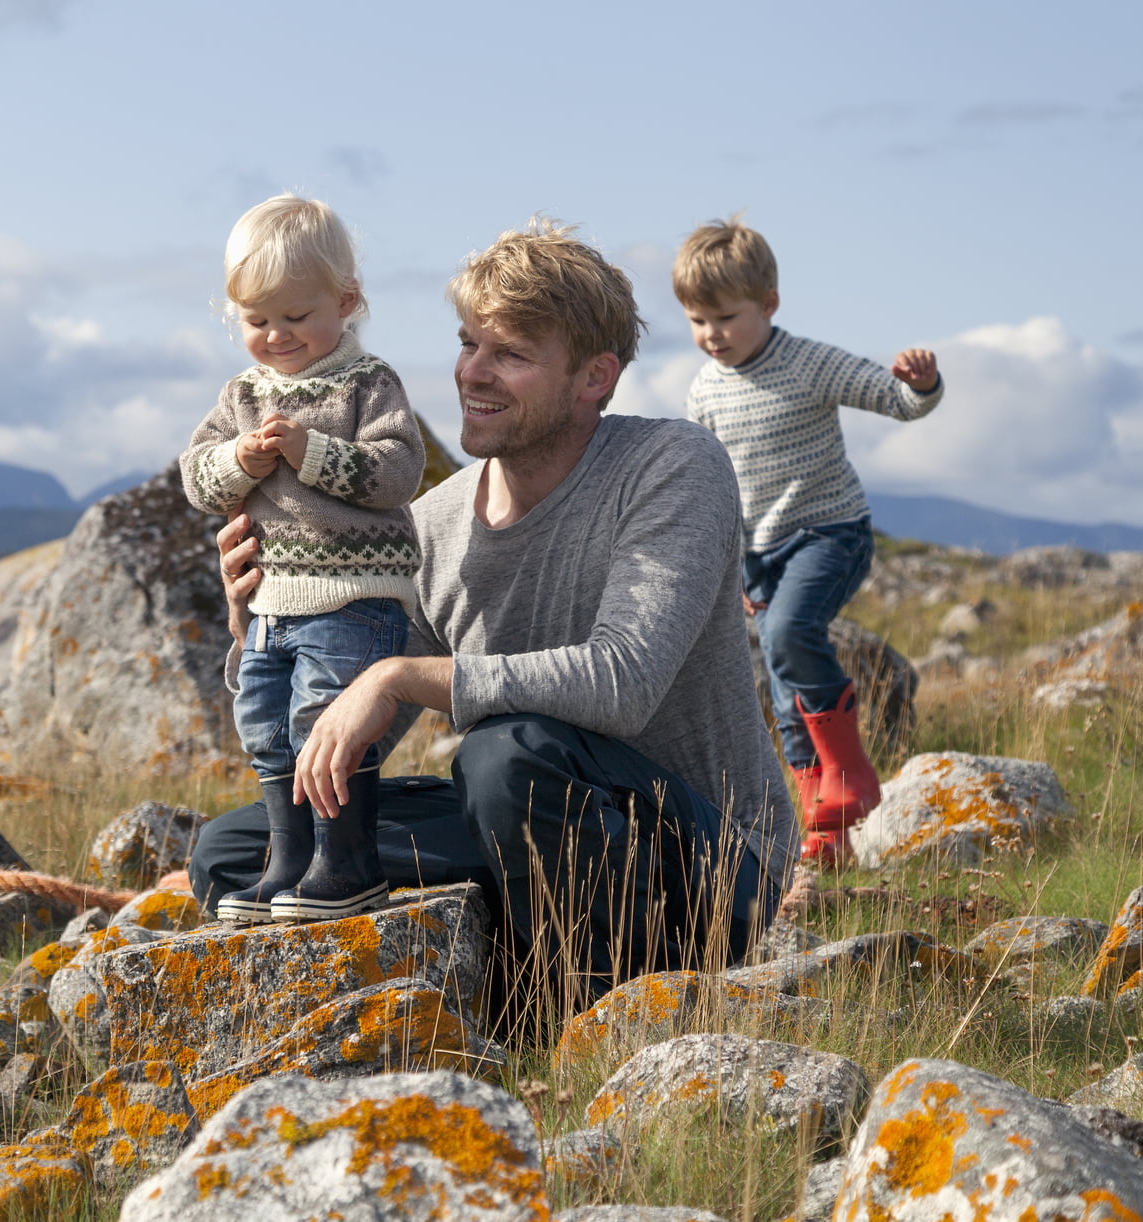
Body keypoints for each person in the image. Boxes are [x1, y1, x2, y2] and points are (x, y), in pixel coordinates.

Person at [191, 217, 796, 1035]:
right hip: (536, 829)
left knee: (506, 752)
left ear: (593, 378)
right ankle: (493, 981)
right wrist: (262, 625)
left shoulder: (671, 467)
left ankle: (592, 1023)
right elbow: (347, 720)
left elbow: (621, 680)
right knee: (243, 848)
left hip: (711, 859)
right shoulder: (432, 521)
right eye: (467, 343)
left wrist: (397, 676)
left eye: (508, 355)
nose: (472, 373)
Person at [179, 195, 425, 925]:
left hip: (353, 597)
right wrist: (239, 458)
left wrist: (305, 451)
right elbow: (195, 477)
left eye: (295, 316)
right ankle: (290, 864)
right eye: (257, 320)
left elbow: (396, 471)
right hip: (269, 605)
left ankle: (346, 866)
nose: (276, 335)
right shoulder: (242, 395)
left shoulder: (366, 382)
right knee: (264, 724)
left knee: (324, 723)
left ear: (345, 302)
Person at [676, 215, 942, 867]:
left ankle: (850, 774)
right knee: (779, 687)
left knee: (791, 634)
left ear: (768, 304)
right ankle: (826, 834)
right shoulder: (704, 391)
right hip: (757, 557)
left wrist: (921, 383)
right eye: (695, 321)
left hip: (829, 535)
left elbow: (898, 402)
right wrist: (725, 570)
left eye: (725, 318)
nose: (711, 335)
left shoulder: (809, 362)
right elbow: (709, 489)